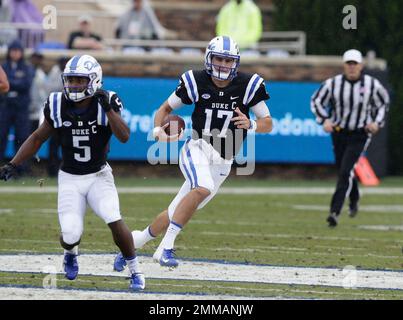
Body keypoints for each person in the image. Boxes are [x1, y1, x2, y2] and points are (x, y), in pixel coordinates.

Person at [113, 36, 273, 271]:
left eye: (228, 61)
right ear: (209, 59)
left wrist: (251, 125)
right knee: (202, 187)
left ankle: (133, 244)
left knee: (175, 210)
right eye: (218, 59)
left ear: (236, 63)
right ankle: (165, 248)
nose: (223, 65)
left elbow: (268, 122)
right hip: (198, 147)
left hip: (223, 162)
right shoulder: (196, 81)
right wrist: (159, 131)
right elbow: (165, 109)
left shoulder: (248, 85)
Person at [0, 54, 145, 291]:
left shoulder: (106, 103)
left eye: (80, 80)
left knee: (113, 216)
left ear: (94, 81)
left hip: (99, 176)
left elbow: (124, 136)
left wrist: (108, 109)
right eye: (71, 80)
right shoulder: (57, 103)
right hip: (70, 177)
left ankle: (135, 270)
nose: (74, 85)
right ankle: (70, 252)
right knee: (70, 233)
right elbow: (38, 138)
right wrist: (14, 164)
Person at [311, 49, 390, 227]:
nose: (352, 67)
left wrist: (376, 123)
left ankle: (334, 212)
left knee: (346, 170)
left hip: (360, 133)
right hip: (339, 132)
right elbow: (316, 101)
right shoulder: (333, 84)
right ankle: (354, 197)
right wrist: (324, 119)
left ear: (361, 66)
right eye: (349, 64)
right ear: (344, 66)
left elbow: (383, 104)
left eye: (355, 64)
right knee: (343, 169)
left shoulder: (372, 84)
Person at [0, 40, 33, 174]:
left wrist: (10, 83)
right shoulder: (5, 66)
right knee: (1, 136)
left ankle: (20, 169)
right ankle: (2, 167)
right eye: (13, 50)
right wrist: (15, 83)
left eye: (17, 51)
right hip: (5, 106)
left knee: (22, 138)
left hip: (21, 108)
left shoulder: (26, 67)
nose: (15, 53)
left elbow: (26, 84)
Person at [45, 56, 69, 177]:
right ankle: (52, 169)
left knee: (68, 143)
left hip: (69, 113)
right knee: (54, 143)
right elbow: (50, 90)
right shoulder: (54, 73)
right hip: (57, 112)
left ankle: (66, 167)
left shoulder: (71, 74)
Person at [29, 52, 47, 132]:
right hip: (26, 110)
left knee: (36, 135)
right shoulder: (26, 71)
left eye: (39, 59)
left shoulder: (41, 74)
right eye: (35, 58)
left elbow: (43, 93)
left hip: (38, 111)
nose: (37, 60)